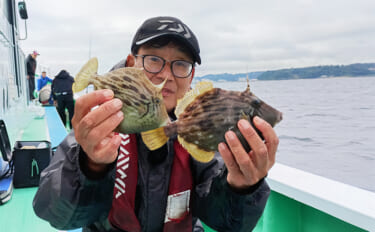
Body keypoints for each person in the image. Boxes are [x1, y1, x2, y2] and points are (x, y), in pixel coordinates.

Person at [33, 16, 279, 232]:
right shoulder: (101, 123)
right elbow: (56, 215)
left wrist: (242, 186)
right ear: (132, 63)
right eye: (153, 59)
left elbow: (226, 222)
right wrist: (90, 166)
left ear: (191, 75)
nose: (166, 75)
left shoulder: (201, 126)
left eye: (181, 64)